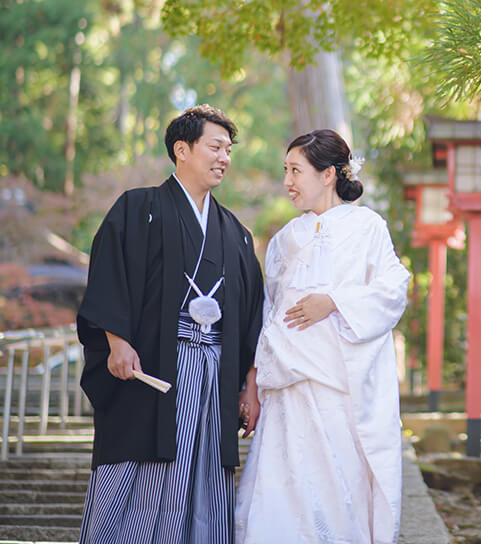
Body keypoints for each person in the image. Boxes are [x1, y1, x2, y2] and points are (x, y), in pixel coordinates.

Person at [76, 105, 265, 544]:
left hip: (214, 372)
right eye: (215, 147)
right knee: (139, 463)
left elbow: (253, 312)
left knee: (204, 473)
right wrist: (116, 341)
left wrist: (247, 385)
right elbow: (110, 273)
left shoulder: (235, 233)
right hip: (153, 367)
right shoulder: (137, 208)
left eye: (229, 150)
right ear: (182, 149)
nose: (225, 158)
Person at [235, 129, 410, 544]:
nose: (287, 182)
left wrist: (332, 301)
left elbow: (392, 290)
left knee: (336, 488)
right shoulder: (283, 241)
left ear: (328, 174)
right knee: (281, 490)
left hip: (339, 390)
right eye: (285, 171)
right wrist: (253, 384)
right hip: (287, 391)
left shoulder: (367, 227)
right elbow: (268, 315)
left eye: (296, 170)